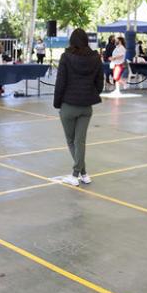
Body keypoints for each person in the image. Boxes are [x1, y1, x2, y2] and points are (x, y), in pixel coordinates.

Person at [53, 28, 104, 186]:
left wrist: (57, 103)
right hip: (86, 107)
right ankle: (84, 173)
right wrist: (91, 93)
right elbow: (100, 83)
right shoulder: (96, 58)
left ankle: (75, 175)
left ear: (72, 41)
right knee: (80, 141)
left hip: (68, 105)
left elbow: (60, 82)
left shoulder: (65, 57)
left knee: (71, 141)